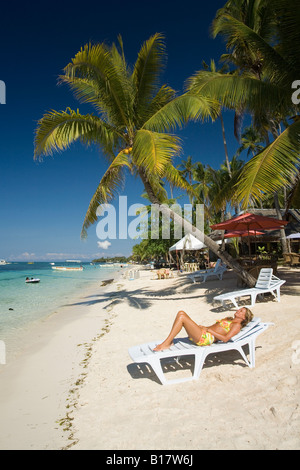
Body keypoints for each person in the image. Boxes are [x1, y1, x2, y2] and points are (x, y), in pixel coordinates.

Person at [153, 307, 253, 351]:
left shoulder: (236, 326)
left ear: (244, 317)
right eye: (240, 309)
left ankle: (166, 343)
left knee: (182, 316)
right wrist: (203, 328)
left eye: (241, 311)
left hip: (205, 338)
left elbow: (226, 339)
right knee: (181, 313)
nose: (238, 310)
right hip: (203, 333)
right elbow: (215, 328)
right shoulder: (230, 320)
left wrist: (209, 331)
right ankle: (167, 342)